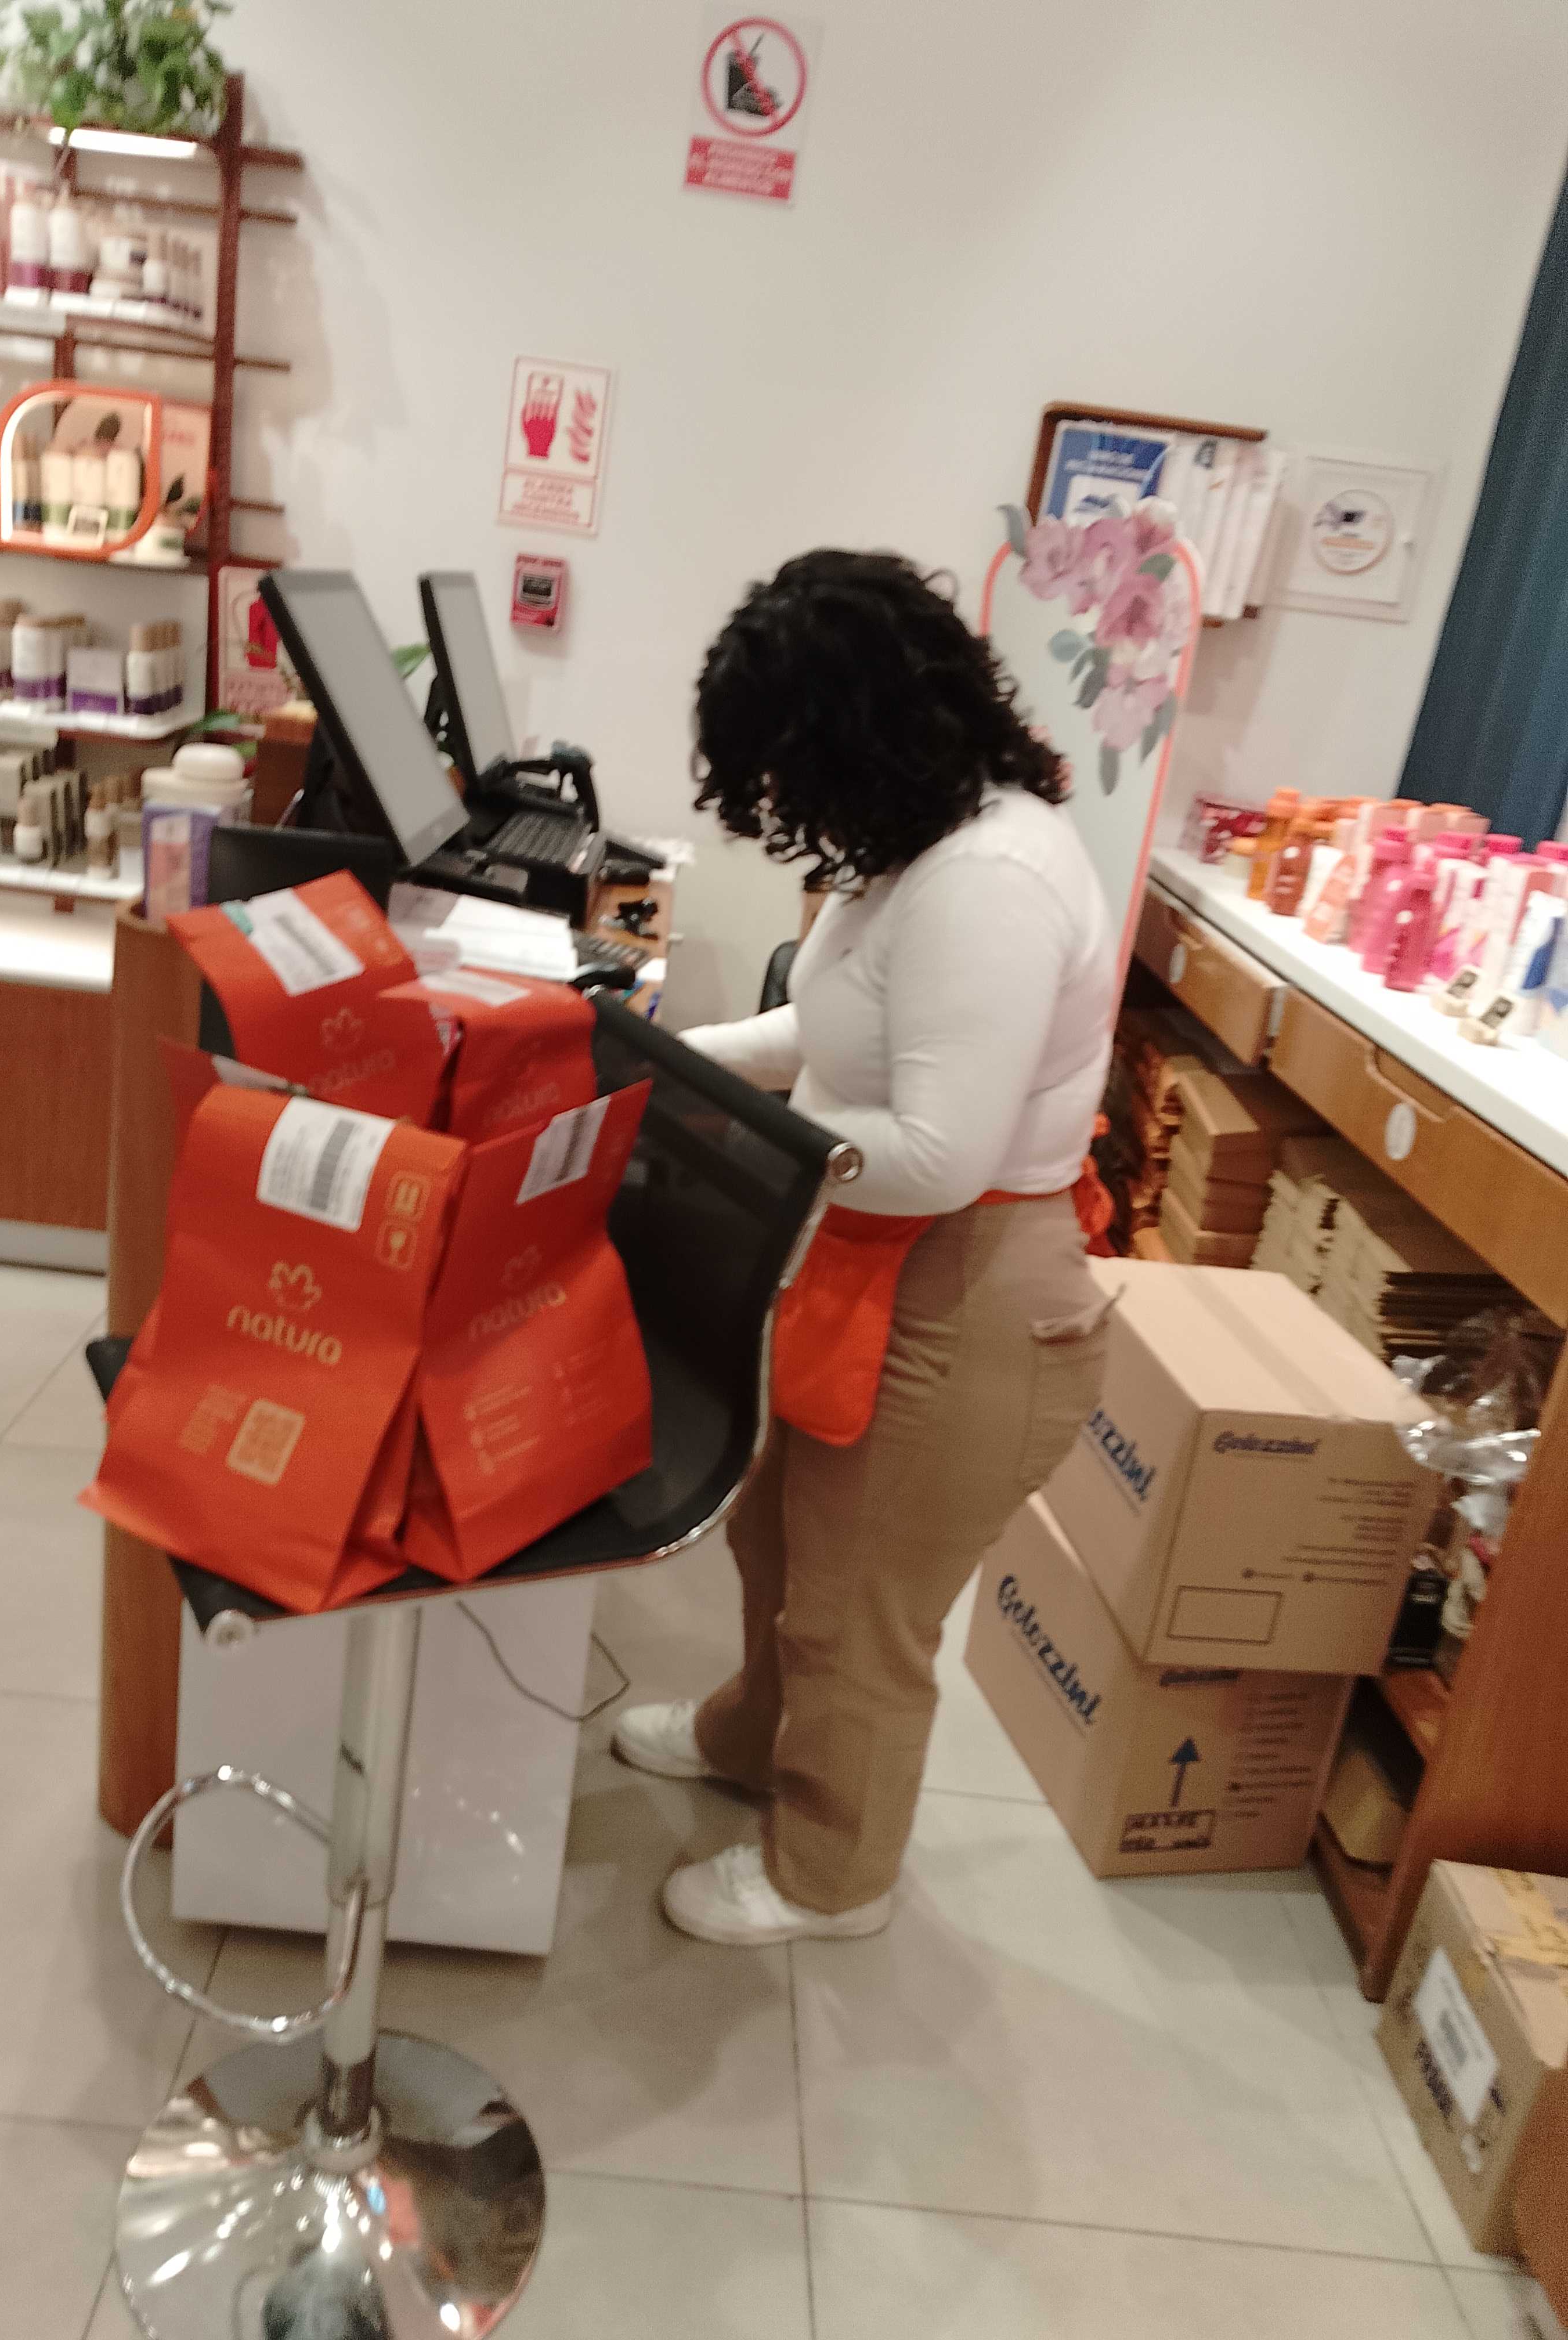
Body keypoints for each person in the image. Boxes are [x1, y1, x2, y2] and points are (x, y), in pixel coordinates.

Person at [613, 548, 1118, 1948]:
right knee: (778, 1537)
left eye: (789, 771)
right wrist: (669, 1062)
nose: (784, 805)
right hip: (876, 1260)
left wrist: (720, 1136)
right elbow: (834, 1033)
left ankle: (832, 1874)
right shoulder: (916, 848)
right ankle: (749, 1737)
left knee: (858, 1610)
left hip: (966, 1283)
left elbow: (939, 1156)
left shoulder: (989, 881)